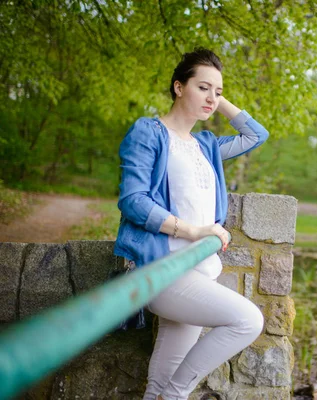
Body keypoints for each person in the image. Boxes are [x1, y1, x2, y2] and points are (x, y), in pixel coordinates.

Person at [113, 48, 269, 400]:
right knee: (248, 320)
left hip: (202, 271)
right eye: (202, 87)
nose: (212, 98)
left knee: (157, 384)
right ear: (178, 87)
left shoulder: (206, 145)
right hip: (163, 269)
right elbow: (133, 201)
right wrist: (196, 231)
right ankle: (177, 394)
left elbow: (256, 135)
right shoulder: (149, 133)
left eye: (218, 91)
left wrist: (218, 95)